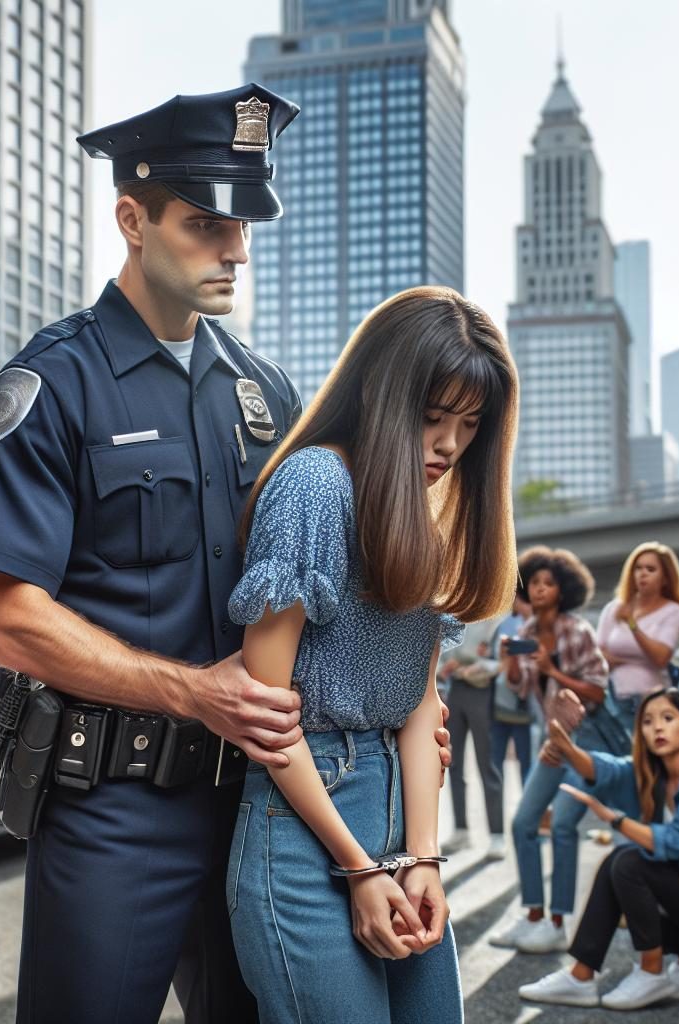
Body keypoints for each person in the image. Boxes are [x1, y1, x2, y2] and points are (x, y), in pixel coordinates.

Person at [0, 86, 308, 1024]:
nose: (234, 249)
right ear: (131, 220)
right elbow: (9, 617)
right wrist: (194, 693)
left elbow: (321, 587)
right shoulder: (52, 383)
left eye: (244, 225)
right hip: (113, 811)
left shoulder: (268, 393)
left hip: (259, 807)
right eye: (204, 224)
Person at [226, 286, 519, 1024]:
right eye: (431, 418)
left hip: (395, 802)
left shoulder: (421, 512)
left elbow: (421, 706)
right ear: (385, 397)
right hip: (302, 821)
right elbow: (265, 713)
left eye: (469, 424)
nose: (450, 445)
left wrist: (422, 858)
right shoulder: (315, 485)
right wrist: (358, 866)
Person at [518, 687, 679, 1011]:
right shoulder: (655, 774)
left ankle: (652, 971)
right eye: (647, 721)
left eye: (667, 718)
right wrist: (565, 745)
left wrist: (617, 820)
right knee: (621, 861)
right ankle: (594, 974)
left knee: (629, 862)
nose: (657, 727)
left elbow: (677, 842)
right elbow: (610, 770)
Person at [489, 545, 618, 954]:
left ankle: (557, 923)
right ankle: (532, 915)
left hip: (586, 742)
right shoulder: (526, 635)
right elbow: (521, 689)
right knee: (524, 822)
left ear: (563, 591)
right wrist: (511, 661)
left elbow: (597, 690)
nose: (541, 589)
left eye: (550, 583)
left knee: (562, 825)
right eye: (536, 583)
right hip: (553, 743)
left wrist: (554, 670)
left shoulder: (577, 630)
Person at [597, 541, 679, 735]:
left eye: (650, 569)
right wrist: (637, 659)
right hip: (615, 698)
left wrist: (632, 624)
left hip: (651, 700)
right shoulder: (614, 609)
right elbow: (598, 656)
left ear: (665, 578)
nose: (643, 573)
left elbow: (660, 657)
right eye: (637, 568)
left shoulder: (673, 611)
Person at [439, 619, 506, 860]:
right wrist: (447, 668)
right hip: (455, 689)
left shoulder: (494, 617)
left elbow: (501, 661)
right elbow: (440, 657)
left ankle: (497, 834)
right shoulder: (450, 611)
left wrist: (473, 668)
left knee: (487, 762)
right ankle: (461, 829)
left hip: (482, 691)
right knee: (452, 762)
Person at [487, 584, 533, 793]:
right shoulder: (504, 624)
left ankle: (529, 812)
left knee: (528, 762)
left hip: (528, 705)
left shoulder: (540, 626)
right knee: (496, 761)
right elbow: (492, 657)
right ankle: (498, 817)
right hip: (501, 702)